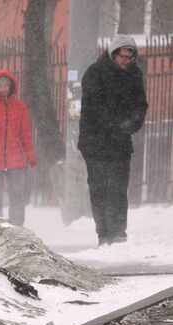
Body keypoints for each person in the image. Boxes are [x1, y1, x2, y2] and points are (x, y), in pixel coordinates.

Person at [78, 34, 148, 246]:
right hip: (95, 142)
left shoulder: (134, 75)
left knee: (118, 188)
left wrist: (133, 123)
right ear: (113, 54)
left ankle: (118, 232)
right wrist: (115, 124)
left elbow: (140, 104)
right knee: (99, 188)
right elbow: (93, 107)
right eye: (124, 56)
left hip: (120, 142)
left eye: (131, 57)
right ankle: (104, 233)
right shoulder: (95, 73)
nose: (127, 61)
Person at [0, 70, 36, 226]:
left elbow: (26, 133)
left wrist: (30, 154)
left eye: (6, 85)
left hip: (16, 159)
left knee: (17, 195)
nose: (4, 88)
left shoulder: (20, 107)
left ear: (11, 85)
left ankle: (17, 227)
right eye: (0, 85)